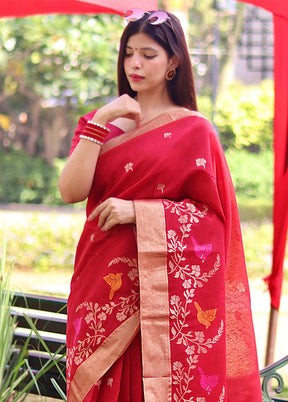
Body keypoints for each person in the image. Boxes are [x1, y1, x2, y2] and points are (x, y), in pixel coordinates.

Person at [59, 8, 262, 401]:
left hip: (164, 304)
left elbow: (213, 223)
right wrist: (101, 121)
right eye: (128, 53)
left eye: (148, 55)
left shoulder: (193, 130)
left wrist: (138, 212)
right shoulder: (100, 123)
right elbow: (70, 191)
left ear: (173, 62)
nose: (135, 63)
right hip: (100, 286)